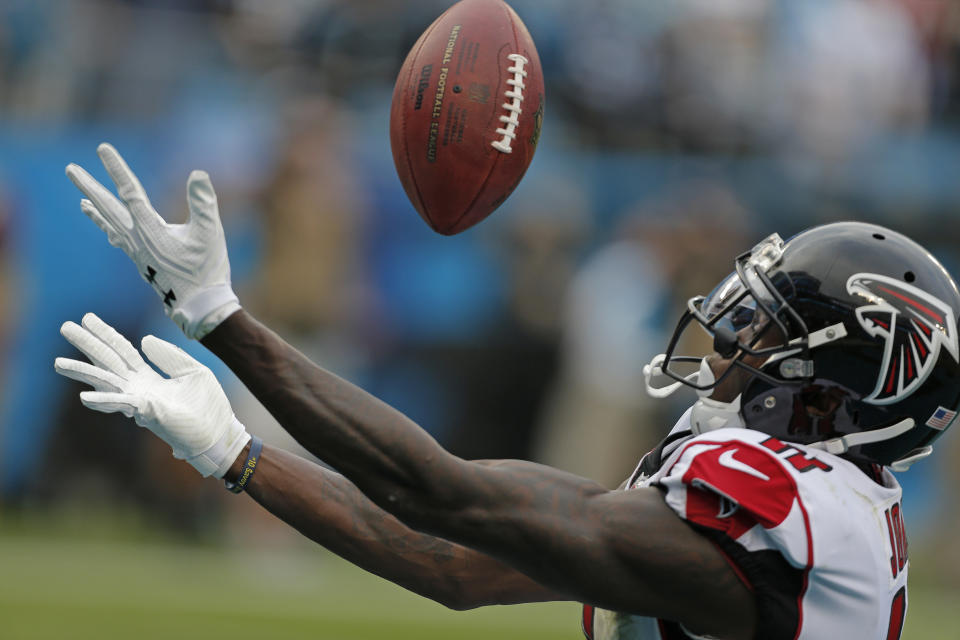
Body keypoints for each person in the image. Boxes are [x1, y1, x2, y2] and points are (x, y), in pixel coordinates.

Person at [56, 144, 960, 640]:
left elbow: (444, 496)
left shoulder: (789, 517)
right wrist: (237, 454)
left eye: (771, 333)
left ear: (835, 392)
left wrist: (222, 321)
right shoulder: (818, 505)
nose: (735, 336)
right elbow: (450, 565)